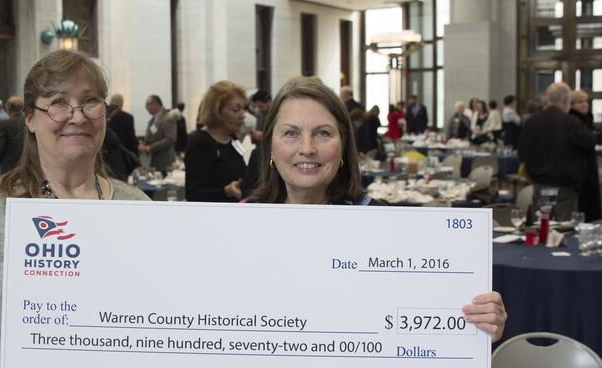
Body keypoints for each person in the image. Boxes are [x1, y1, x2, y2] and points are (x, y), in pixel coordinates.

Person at [0, 50, 150, 367]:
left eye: (90, 100)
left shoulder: (139, 208)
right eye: (59, 102)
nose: (77, 116)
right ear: (30, 119)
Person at [248, 77, 507, 341]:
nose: (307, 149)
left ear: (343, 146)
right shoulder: (239, 227)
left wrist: (479, 322)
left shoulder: (384, 225)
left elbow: (430, 322)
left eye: (323, 133)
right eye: (291, 133)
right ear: (270, 145)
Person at [518, 83, 596, 221]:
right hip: (565, 186)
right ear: (566, 100)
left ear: (547, 99)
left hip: (540, 183)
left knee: (542, 225)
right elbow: (589, 145)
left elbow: (522, 152)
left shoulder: (532, 122)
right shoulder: (571, 123)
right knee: (563, 228)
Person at [185, 81, 247, 202]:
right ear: (217, 111)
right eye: (236, 109)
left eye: (243, 109)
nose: (242, 115)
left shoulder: (233, 139)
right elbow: (193, 194)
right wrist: (225, 192)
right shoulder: (200, 142)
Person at [568, 89, 601, 221]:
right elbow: (587, 140)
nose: (584, 104)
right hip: (580, 167)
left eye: (586, 101)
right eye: (580, 102)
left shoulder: (587, 119)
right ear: (572, 104)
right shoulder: (573, 120)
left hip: (588, 165)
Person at [139, 94, 177, 172]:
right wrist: (143, 145)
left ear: (155, 104)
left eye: (147, 105)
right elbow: (150, 137)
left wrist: (150, 147)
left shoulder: (168, 118)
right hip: (152, 160)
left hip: (164, 162)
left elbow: (170, 139)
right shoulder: (152, 120)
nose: (146, 108)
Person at [0, 96, 24, 173]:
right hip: (28, 166)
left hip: (9, 167)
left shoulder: (4, 124)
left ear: (8, 109)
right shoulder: (30, 122)